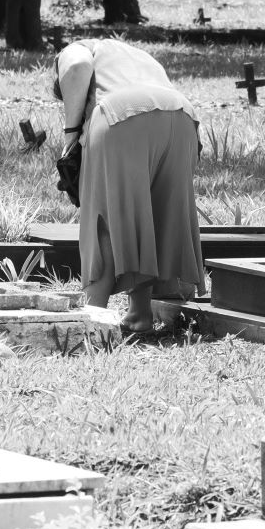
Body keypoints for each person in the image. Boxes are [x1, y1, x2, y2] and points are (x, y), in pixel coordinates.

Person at [54, 38, 205, 333]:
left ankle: (93, 317)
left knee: (105, 215)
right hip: (183, 119)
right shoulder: (138, 54)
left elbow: (76, 66)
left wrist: (71, 134)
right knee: (151, 214)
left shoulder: (79, 47)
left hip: (119, 115)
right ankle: (139, 315)